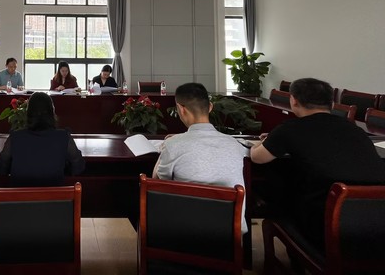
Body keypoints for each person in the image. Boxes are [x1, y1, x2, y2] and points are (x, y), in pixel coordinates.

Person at [250, 77, 385, 248]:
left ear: (293, 100)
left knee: (279, 192)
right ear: (332, 103)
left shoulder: (290, 129)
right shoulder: (354, 129)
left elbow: (257, 157)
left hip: (324, 228)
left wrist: (263, 142)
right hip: (376, 227)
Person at [152, 82, 248, 233]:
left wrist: (165, 147)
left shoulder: (173, 145)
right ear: (210, 107)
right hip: (228, 232)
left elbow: (157, 183)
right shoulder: (235, 145)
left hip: (183, 230)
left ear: (181, 109)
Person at [0, 92, 85, 186]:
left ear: (28, 113)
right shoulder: (64, 137)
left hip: (20, 195)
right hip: (55, 195)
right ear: (52, 112)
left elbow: (2, 168)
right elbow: (78, 166)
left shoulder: (15, 137)